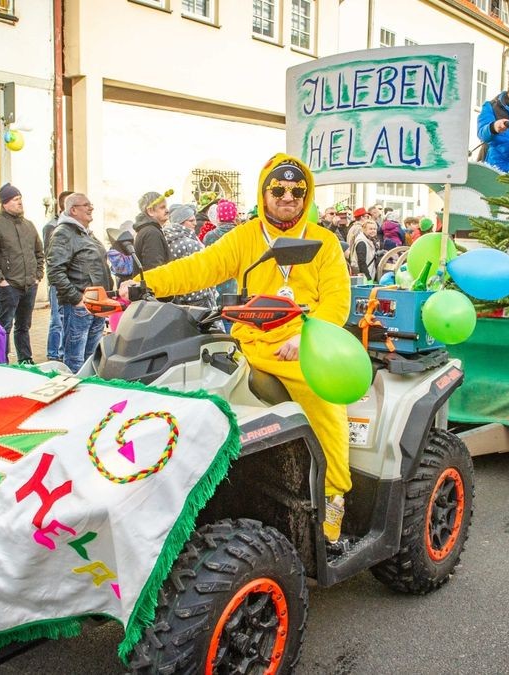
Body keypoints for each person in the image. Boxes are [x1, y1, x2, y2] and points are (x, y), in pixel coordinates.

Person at [118, 154, 353, 544]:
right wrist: (144, 284)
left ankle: (333, 494)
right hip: (246, 343)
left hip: (300, 348)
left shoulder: (324, 242)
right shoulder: (245, 237)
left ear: (306, 195)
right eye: (278, 189)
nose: (287, 197)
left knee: (326, 405)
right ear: (265, 193)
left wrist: (308, 338)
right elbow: (200, 266)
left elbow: (337, 301)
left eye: (297, 191)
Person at [48, 193, 113, 372]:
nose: (91, 208)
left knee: (92, 357)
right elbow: (55, 271)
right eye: (86, 205)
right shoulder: (63, 233)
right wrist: (76, 299)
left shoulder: (85, 233)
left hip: (97, 303)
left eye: (90, 204)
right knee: (75, 359)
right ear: (73, 210)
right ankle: (74, 391)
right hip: (80, 306)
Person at [0, 183, 44, 365]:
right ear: (5, 203)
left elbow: (39, 252)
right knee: (5, 325)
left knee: (24, 326)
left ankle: (26, 359)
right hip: (8, 286)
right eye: (15, 199)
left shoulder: (29, 225)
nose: (20, 203)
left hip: (29, 284)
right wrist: (0, 280)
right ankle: (2, 361)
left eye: (20, 199)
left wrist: (38, 275)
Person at [162, 204, 218, 309]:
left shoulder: (167, 239)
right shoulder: (191, 243)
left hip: (177, 296)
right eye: (191, 221)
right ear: (181, 222)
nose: (195, 223)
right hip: (198, 296)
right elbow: (205, 270)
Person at [43, 190, 74, 362]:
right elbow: (51, 255)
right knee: (57, 318)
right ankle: (53, 354)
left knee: (68, 318)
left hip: (73, 280)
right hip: (59, 280)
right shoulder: (52, 226)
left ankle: (62, 352)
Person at [202, 201, 239, 296]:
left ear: (218, 217)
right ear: (235, 216)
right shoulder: (242, 235)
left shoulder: (209, 236)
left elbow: (206, 263)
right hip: (239, 285)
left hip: (217, 284)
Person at [132, 191, 171, 272]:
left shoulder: (149, 230)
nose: (167, 211)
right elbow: (154, 270)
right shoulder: (151, 233)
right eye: (162, 207)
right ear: (150, 211)